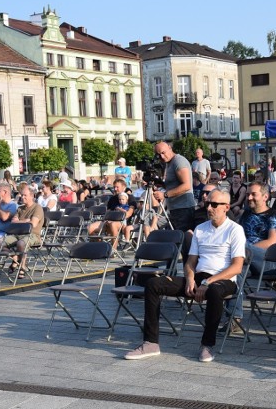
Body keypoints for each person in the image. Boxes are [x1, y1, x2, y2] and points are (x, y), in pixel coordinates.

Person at [124, 189, 246, 363]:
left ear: (226, 207)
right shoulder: (200, 229)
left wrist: (207, 282)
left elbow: (237, 267)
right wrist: (190, 278)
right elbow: (190, 262)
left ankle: (207, 345)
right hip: (199, 277)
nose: (209, 207)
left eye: (214, 204)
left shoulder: (235, 230)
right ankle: (151, 342)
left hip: (223, 280)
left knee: (213, 292)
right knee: (153, 284)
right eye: (207, 203)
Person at [0, 186, 43, 279]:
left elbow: (33, 224)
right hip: (17, 234)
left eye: (25, 195)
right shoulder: (20, 209)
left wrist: (22, 221)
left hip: (32, 235)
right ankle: (15, 258)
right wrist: (26, 220)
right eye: (22, 195)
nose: (22, 197)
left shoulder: (37, 208)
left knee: (21, 244)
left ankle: (22, 267)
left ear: (32, 196)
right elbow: (13, 222)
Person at [154, 142, 196, 232]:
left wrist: (165, 195)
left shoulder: (179, 161)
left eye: (163, 152)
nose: (161, 156)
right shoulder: (169, 163)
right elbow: (174, 184)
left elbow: (187, 185)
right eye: (158, 154)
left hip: (183, 209)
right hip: (175, 209)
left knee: (182, 240)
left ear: (170, 148)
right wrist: (160, 184)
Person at [88, 179, 133, 246]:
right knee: (90, 227)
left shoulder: (130, 198)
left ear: (124, 187)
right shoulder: (112, 199)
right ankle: (102, 246)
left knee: (113, 224)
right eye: (114, 187)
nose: (115, 189)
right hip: (109, 221)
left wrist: (116, 218)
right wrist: (106, 219)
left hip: (123, 223)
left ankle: (113, 251)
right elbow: (108, 211)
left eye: (117, 187)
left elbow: (129, 213)